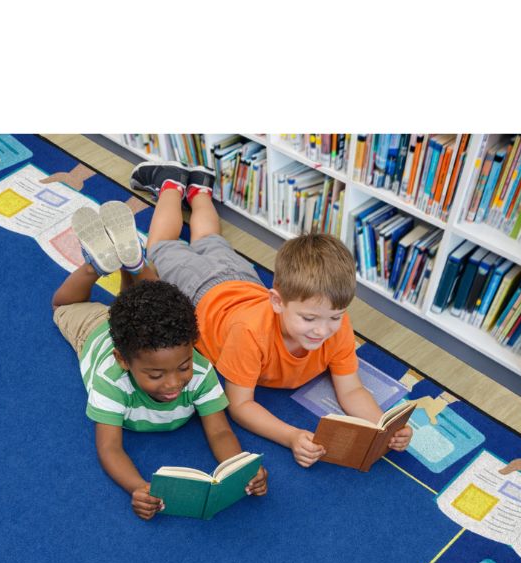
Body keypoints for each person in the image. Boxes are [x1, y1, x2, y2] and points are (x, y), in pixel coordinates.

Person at [127, 160, 413, 468]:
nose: (323, 330)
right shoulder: (250, 333)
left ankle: (199, 190)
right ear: (277, 302)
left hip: (241, 280)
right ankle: (171, 183)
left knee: (210, 241)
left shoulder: (337, 325)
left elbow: (352, 389)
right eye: (309, 319)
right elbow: (240, 404)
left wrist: (383, 425)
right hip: (201, 291)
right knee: (160, 246)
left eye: (335, 316)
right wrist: (290, 435)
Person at [52, 200, 268, 519]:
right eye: (155, 375)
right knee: (62, 306)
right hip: (95, 330)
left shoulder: (199, 369)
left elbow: (220, 431)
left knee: (153, 302)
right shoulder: (110, 380)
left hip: (142, 332)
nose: (173, 383)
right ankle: (95, 267)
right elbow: (109, 447)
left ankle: (135, 262)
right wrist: (137, 486)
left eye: (183, 366)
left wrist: (239, 469)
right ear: (123, 361)